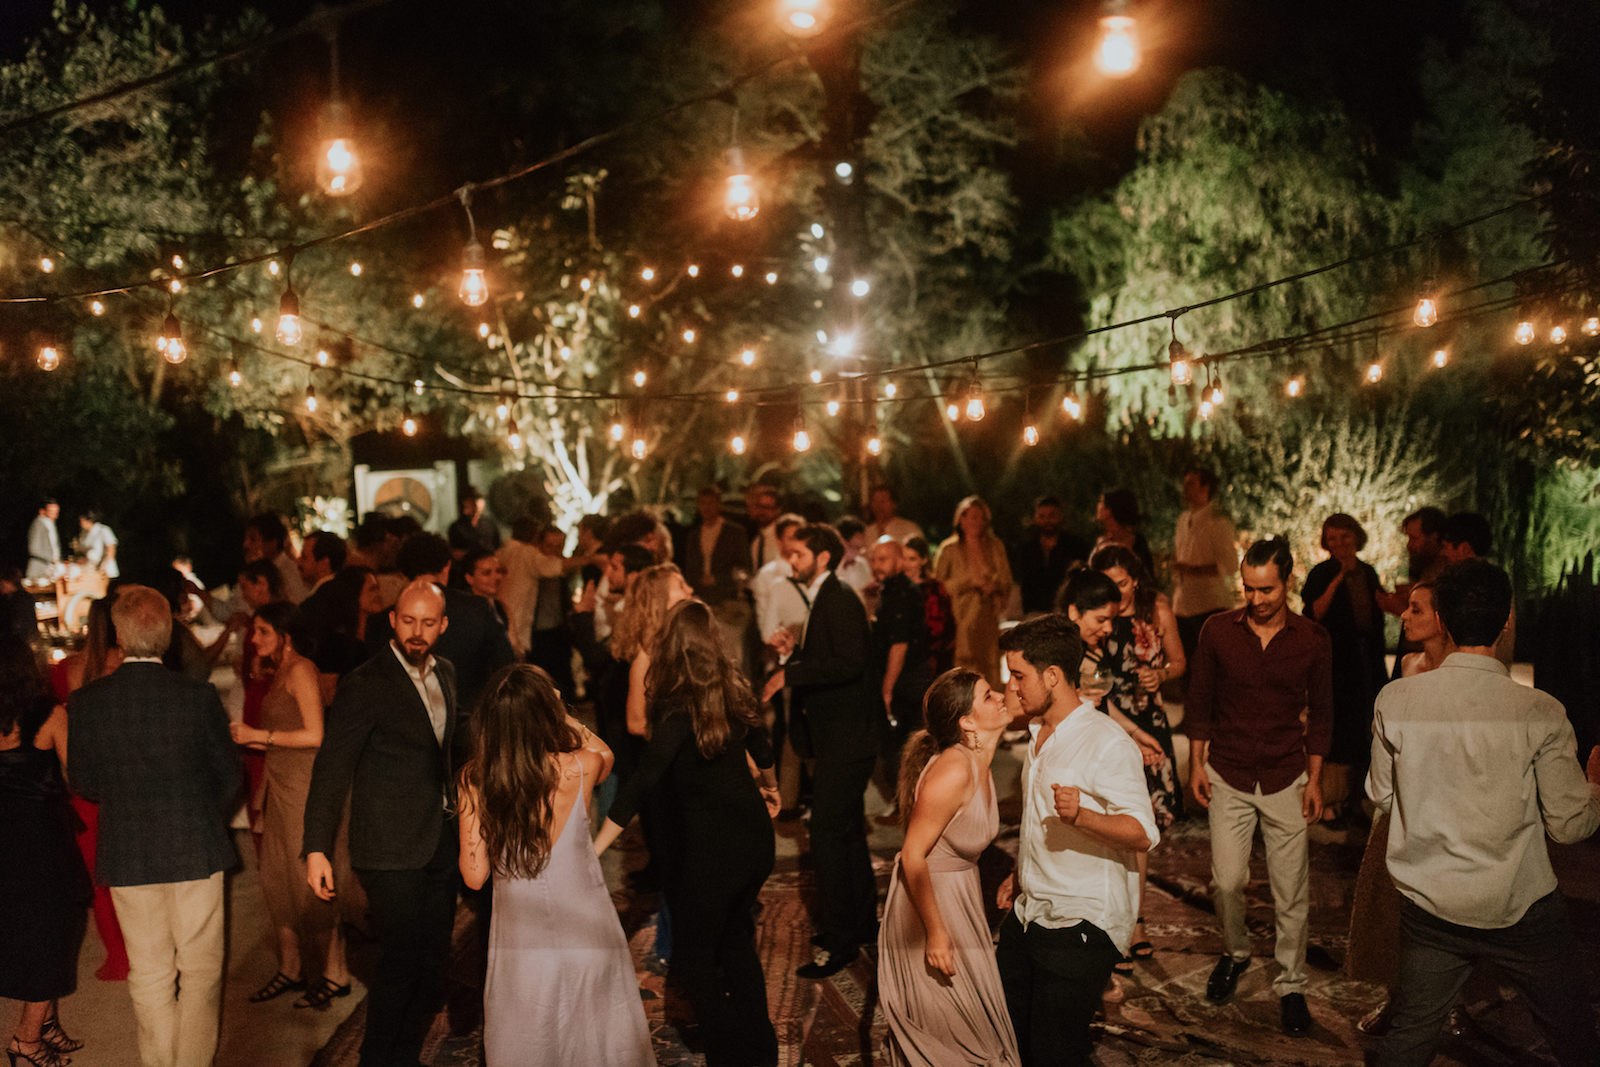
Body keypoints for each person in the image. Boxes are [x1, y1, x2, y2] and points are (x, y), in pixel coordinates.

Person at [1369, 559, 1600, 1066]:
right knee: (1574, 1034)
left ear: (1444, 620)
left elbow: (1380, 796)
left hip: (1430, 904)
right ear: (1508, 619)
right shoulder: (1540, 712)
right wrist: (1596, 786)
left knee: (1410, 1036)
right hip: (1519, 906)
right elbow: (1569, 825)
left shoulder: (1396, 699)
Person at [597, 600, 782, 1066]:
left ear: (671, 647)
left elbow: (642, 780)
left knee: (696, 957)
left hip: (715, 848)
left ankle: (727, 1053)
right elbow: (762, 745)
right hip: (754, 841)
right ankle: (760, 1049)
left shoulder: (678, 708)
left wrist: (594, 846)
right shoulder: (733, 689)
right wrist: (772, 788)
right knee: (737, 941)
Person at [69, 585, 240, 1067]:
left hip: (128, 850)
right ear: (167, 635)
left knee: (148, 974)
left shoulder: (89, 701)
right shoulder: (197, 696)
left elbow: (84, 782)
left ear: (119, 634)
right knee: (201, 971)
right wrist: (203, 813)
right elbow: (228, 775)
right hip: (194, 846)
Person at [457, 664, 653, 1065]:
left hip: (522, 941)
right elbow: (607, 755)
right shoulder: (581, 766)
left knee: (532, 1037)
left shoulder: (475, 779)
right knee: (598, 1034)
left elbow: (474, 878)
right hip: (587, 927)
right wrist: (560, 711)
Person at [302, 580, 459, 1067]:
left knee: (433, 964)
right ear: (392, 620)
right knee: (402, 960)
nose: (416, 632)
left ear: (442, 625)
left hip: (439, 841)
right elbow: (332, 766)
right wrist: (316, 848)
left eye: (427, 623)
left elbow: (449, 745)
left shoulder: (448, 673)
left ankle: (405, 1056)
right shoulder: (365, 683)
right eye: (407, 621)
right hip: (387, 848)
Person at [994, 613, 1157, 1067]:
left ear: (1052, 676)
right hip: (1032, 912)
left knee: (1053, 1051)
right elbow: (1036, 820)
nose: (1012, 686)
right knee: (1008, 1034)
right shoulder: (1038, 734)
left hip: (1083, 919)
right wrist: (1019, 874)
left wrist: (1083, 815)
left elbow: (1143, 833)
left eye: (1019, 675)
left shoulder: (1106, 742)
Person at [1186, 538, 1332, 1036]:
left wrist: (1315, 780)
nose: (1256, 599)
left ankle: (1291, 982)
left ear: (1288, 580)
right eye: (1248, 589)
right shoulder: (1217, 632)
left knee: (1291, 888)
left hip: (1285, 774)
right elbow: (1200, 702)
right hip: (1227, 771)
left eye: (1266, 589)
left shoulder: (1312, 639)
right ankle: (1237, 952)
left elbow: (1323, 714)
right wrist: (1196, 766)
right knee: (1226, 880)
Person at [878, 668, 1019, 1066]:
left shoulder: (978, 760)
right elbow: (912, 856)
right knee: (953, 1038)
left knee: (970, 1025)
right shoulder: (954, 769)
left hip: (959, 899)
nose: (1000, 696)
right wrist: (935, 933)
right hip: (929, 908)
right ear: (967, 721)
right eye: (988, 695)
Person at [762, 523, 882, 978]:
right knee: (848, 831)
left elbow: (851, 663)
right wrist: (795, 654)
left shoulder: (840, 596)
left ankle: (840, 941)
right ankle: (859, 923)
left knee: (828, 836)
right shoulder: (825, 596)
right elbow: (830, 660)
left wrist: (790, 676)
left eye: (799, 553)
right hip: (838, 737)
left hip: (848, 739)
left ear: (823, 557)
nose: (792, 560)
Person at [229, 603, 351, 1010]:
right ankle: (292, 967)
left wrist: (258, 736)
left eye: (262, 631)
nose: (254, 639)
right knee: (276, 878)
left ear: (285, 634)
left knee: (309, 880)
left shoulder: (300, 669)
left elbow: (316, 734)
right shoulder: (278, 669)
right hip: (280, 784)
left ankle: (336, 973)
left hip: (303, 785)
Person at [1345, 580, 1450, 1036]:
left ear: (1443, 619)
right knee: (1391, 907)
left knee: (1445, 905)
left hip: (1444, 801)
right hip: (1400, 798)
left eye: (1415, 609)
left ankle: (1453, 1001)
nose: (1403, 616)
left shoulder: (1468, 675)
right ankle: (1394, 998)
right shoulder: (1407, 664)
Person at [1092, 544, 1188, 962]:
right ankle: (1104, 917)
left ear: (1137, 578)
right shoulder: (1095, 616)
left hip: (1146, 720)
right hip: (1103, 720)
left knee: (1138, 827)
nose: (1119, 593)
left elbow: (1180, 661)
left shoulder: (1156, 607)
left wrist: (1161, 673)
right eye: (1110, 586)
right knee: (1103, 823)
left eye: (1125, 583)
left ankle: (1135, 921)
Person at [1, 634, 90, 1067]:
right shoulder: (49, 714)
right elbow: (80, 779)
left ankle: (48, 1023)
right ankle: (26, 1038)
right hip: (41, 840)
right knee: (54, 933)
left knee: (25, 928)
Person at [51, 596, 130, 983]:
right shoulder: (123, 666)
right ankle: (136, 949)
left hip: (83, 782)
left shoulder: (66, 670)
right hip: (125, 777)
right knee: (129, 869)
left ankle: (117, 956)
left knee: (99, 877)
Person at [1299, 513, 1388, 824]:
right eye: (1333, 538)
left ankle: (1360, 798)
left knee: (1368, 726)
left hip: (1368, 658)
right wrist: (1339, 577)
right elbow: (1315, 613)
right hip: (1337, 661)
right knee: (1339, 726)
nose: (1339, 544)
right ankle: (1332, 799)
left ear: (1356, 537)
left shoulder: (1368, 572)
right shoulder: (1321, 573)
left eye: (1345, 537)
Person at [869, 537, 932, 814]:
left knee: (901, 746)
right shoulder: (892, 590)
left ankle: (908, 807)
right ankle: (908, 805)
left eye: (882, 559)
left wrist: (887, 688)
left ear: (898, 559)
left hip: (907, 681)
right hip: (908, 679)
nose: (876, 566)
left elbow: (899, 643)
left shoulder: (900, 594)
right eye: (873, 560)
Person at [934, 496, 1013, 689]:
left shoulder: (995, 546)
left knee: (991, 661)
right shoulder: (949, 549)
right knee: (964, 662)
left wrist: (993, 585)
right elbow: (939, 585)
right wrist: (969, 582)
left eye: (981, 518)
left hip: (988, 614)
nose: (977, 522)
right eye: (972, 517)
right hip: (960, 617)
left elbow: (1006, 579)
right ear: (961, 519)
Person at [1171, 468, 1237, 663]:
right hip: (1183, 603)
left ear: (1205, 488)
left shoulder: (1218, 523)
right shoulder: (1183, 520)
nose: (1185, 489)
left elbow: (1230, 564)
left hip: (1209, 603)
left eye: (1191, 483)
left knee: (1208, 662)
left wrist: (1195, 570)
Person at [1377, 506, 1448, 678]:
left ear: (1434, 537)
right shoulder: (1423, 568)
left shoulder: (1448, 574)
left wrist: (1398, 607)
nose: (1409, 545)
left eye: (1414, 538)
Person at [1010, 496, 1089, 618]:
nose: (1047, 521)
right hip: (1034, 612)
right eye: (1042, 516)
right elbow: (1025, 583)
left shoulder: (1075, 546)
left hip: (1065, 611)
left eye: (1052, 516)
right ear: (1035, 518)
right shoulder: (1028, 549)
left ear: (1060, 516)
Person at [681, 484, 750, 607]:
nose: (707, 507)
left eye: (711, 503)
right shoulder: (693, 535)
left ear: (719, 504)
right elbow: (689, 568)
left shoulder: (735, 532)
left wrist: (718, 579)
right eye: (703, 503)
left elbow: (743, 567)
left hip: (727, 598)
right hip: (701, 598)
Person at [903, 537, 955, 675]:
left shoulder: (933, 589)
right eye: (904, 558)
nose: (906, 564)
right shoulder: (900, 588)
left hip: (929, 657)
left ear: (923, 560)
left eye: (912, 559)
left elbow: (939, 627)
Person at [244, 513, 308, 605]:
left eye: (253, 539)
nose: (246, 544)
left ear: (272, 543)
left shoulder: (289, 572)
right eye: (246, 539)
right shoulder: (254, 571)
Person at [1093, 488, 1154, 577]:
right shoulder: (1100, 541)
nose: (1098, 505)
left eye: (1101, 502)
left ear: (1109, 510)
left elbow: (1147, 575)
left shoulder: (1135, 541)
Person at [447, 487, 501, 556]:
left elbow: (496, 548)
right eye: (470, 500)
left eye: (476, 500)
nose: (474, 504)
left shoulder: (489, 525)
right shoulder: (456, 527)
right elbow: (455, 553)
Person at [745, 483, 783, 574]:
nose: (762, 512)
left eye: (767, 508)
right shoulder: (757, 542)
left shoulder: (781, 538)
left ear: (777, 510)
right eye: (759, 507)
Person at [25, 499, 62, 581]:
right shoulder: (39, 523)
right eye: (51, 512)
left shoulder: (50, 524)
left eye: (56, 512)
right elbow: (34, 548)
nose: (55, 515)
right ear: (42, 511)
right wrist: (52, 559)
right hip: (40, 567)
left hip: (50, 567)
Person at [76, 510, 119, 579]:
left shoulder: (104, 530)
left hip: (104, 568)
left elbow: (111, 549)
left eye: (82, 520)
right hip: (90, 568)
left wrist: (104, 565)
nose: (80, 523)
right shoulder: (84, 534)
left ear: (88, 520)